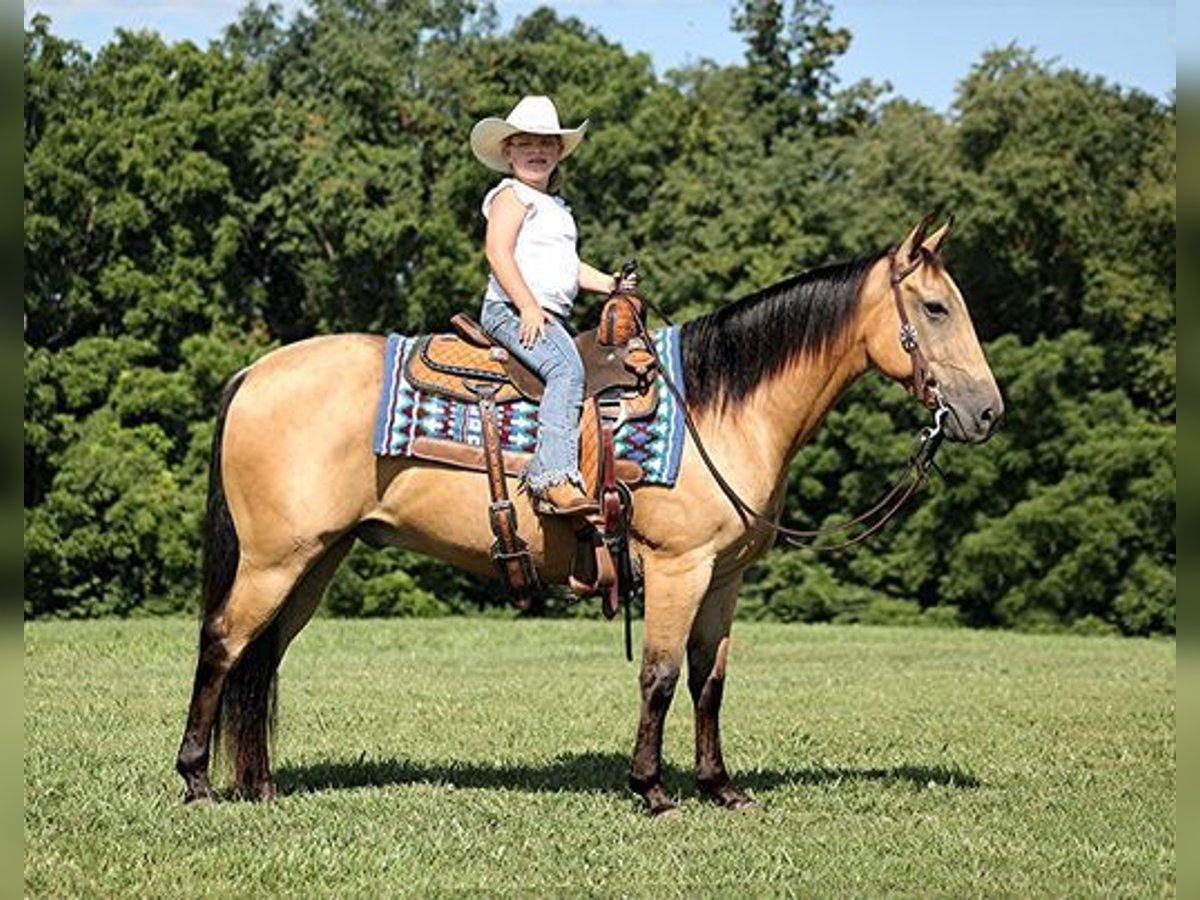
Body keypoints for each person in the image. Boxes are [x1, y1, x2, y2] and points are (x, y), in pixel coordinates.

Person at [470, 95, 635, 515]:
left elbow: (571, 268)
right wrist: (526, 306)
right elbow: (498, 253)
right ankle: (552, 477)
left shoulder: (556, 208)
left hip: (548, 314)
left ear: (559, 152)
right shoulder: (511, 195)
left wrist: (613, 284)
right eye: (525, 143)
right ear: (508, 152)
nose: (536, 152)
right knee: (566, 370)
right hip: (511, 309)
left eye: (546, 144)